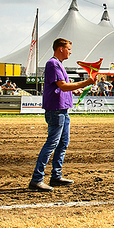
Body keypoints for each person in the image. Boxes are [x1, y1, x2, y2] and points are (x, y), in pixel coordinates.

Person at [29, 38, 95, 192]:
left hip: (62, 109)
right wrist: (85, 83)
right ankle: (37, 179)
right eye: (69, 49)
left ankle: (56, 175)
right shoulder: (53, 64)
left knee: (63, 143)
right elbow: (62, 86)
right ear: (60, 49)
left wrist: (75, 89)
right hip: (56, 110)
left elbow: (63, 87)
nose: (70, 52)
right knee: (52, 143)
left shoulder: (58, 65)